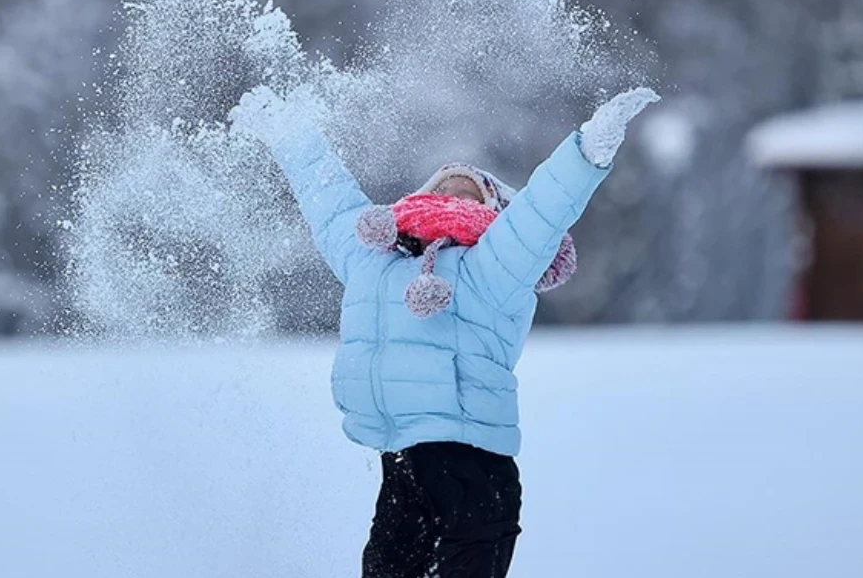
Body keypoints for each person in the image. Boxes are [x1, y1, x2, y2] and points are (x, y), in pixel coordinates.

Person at [229, 84, 659, 578]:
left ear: (496, 213)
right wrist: (290, 135)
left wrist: (586, 152)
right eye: (442, 187)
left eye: (469, 190)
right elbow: (329, 200)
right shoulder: (373, 258)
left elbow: (542, 212)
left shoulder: (494, 265)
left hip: (475, 470)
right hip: (403, 464)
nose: (452, 193)